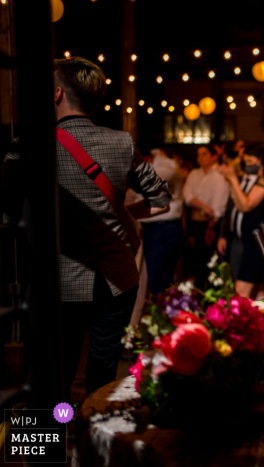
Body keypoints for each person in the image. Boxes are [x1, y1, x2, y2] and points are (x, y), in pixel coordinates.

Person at [4, 57, 171, 398]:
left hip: (57, 282)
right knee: (104, 373)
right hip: (116, 277)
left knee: (54, 375)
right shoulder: (122, 142)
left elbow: (7, 219)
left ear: (56, 94)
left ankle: (54, 440)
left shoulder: (26, 147)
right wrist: (124, 213)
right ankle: (93, 443)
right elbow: (161, 200)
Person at [218, 143, 264, 298]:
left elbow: (246, 205)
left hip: (258, 242)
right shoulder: (256, 179)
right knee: (257, 291)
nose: (247, 165)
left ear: (262, 161)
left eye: (251, 161)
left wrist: (232, 179)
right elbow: (238, 204)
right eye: (245, 161)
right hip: (248, 240)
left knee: (241, 292)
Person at [182, 144, 229, 288]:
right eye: (198, 155)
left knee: (210, 262)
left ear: (213, 156)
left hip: (211, 224)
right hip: (195, 222)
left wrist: (209, 212)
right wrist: (202, 205)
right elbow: (187, 196)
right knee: (194, 263)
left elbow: (217, 207)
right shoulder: (193, 174)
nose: (200, 158)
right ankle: (197, 293)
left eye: (204, 154)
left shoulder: (219, 176)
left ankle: (210, 296)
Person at [139, 147, 184, 295]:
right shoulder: (154, 164)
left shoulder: (166, 164)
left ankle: (163, 315)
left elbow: (157, 180)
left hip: (163, 226)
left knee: (160, 281)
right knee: (155, 279)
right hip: (153, 227)